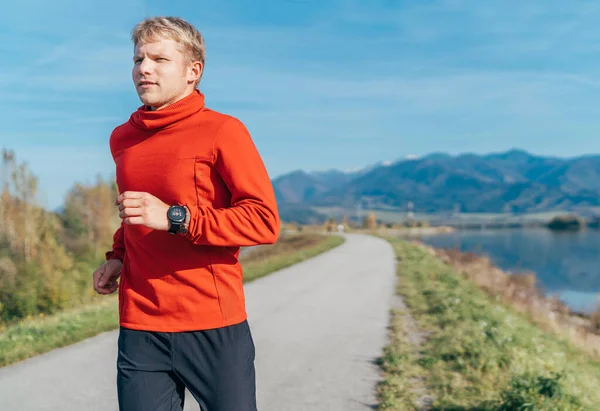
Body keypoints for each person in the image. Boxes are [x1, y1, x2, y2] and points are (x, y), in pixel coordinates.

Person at [91, 16, 280, 411]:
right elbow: (135, 213)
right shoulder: (122, 138)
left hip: (212, 323)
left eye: (159, 59)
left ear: (193, 71)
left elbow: (264, 220)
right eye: (138, 59)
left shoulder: (224, 131)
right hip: (141, 324)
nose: (144, 68)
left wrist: (178, 218)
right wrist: (118, 258)